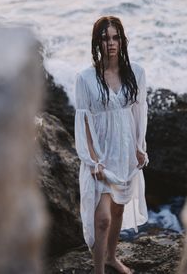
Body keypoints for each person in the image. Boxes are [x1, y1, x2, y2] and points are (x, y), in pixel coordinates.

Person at [74, 16, 149, 274]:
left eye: (116, 37)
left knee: (118, 211)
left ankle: (111, 257)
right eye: (105, 38)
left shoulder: (136, 73)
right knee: (103, 219)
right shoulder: (85, 78)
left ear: (122, 40)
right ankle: (98, 269)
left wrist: (140, 146)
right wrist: (93, 159)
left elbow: (139, 112)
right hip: (101, 155)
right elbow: (83, 120)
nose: (111, 43)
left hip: (125, 151)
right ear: (97, 42)